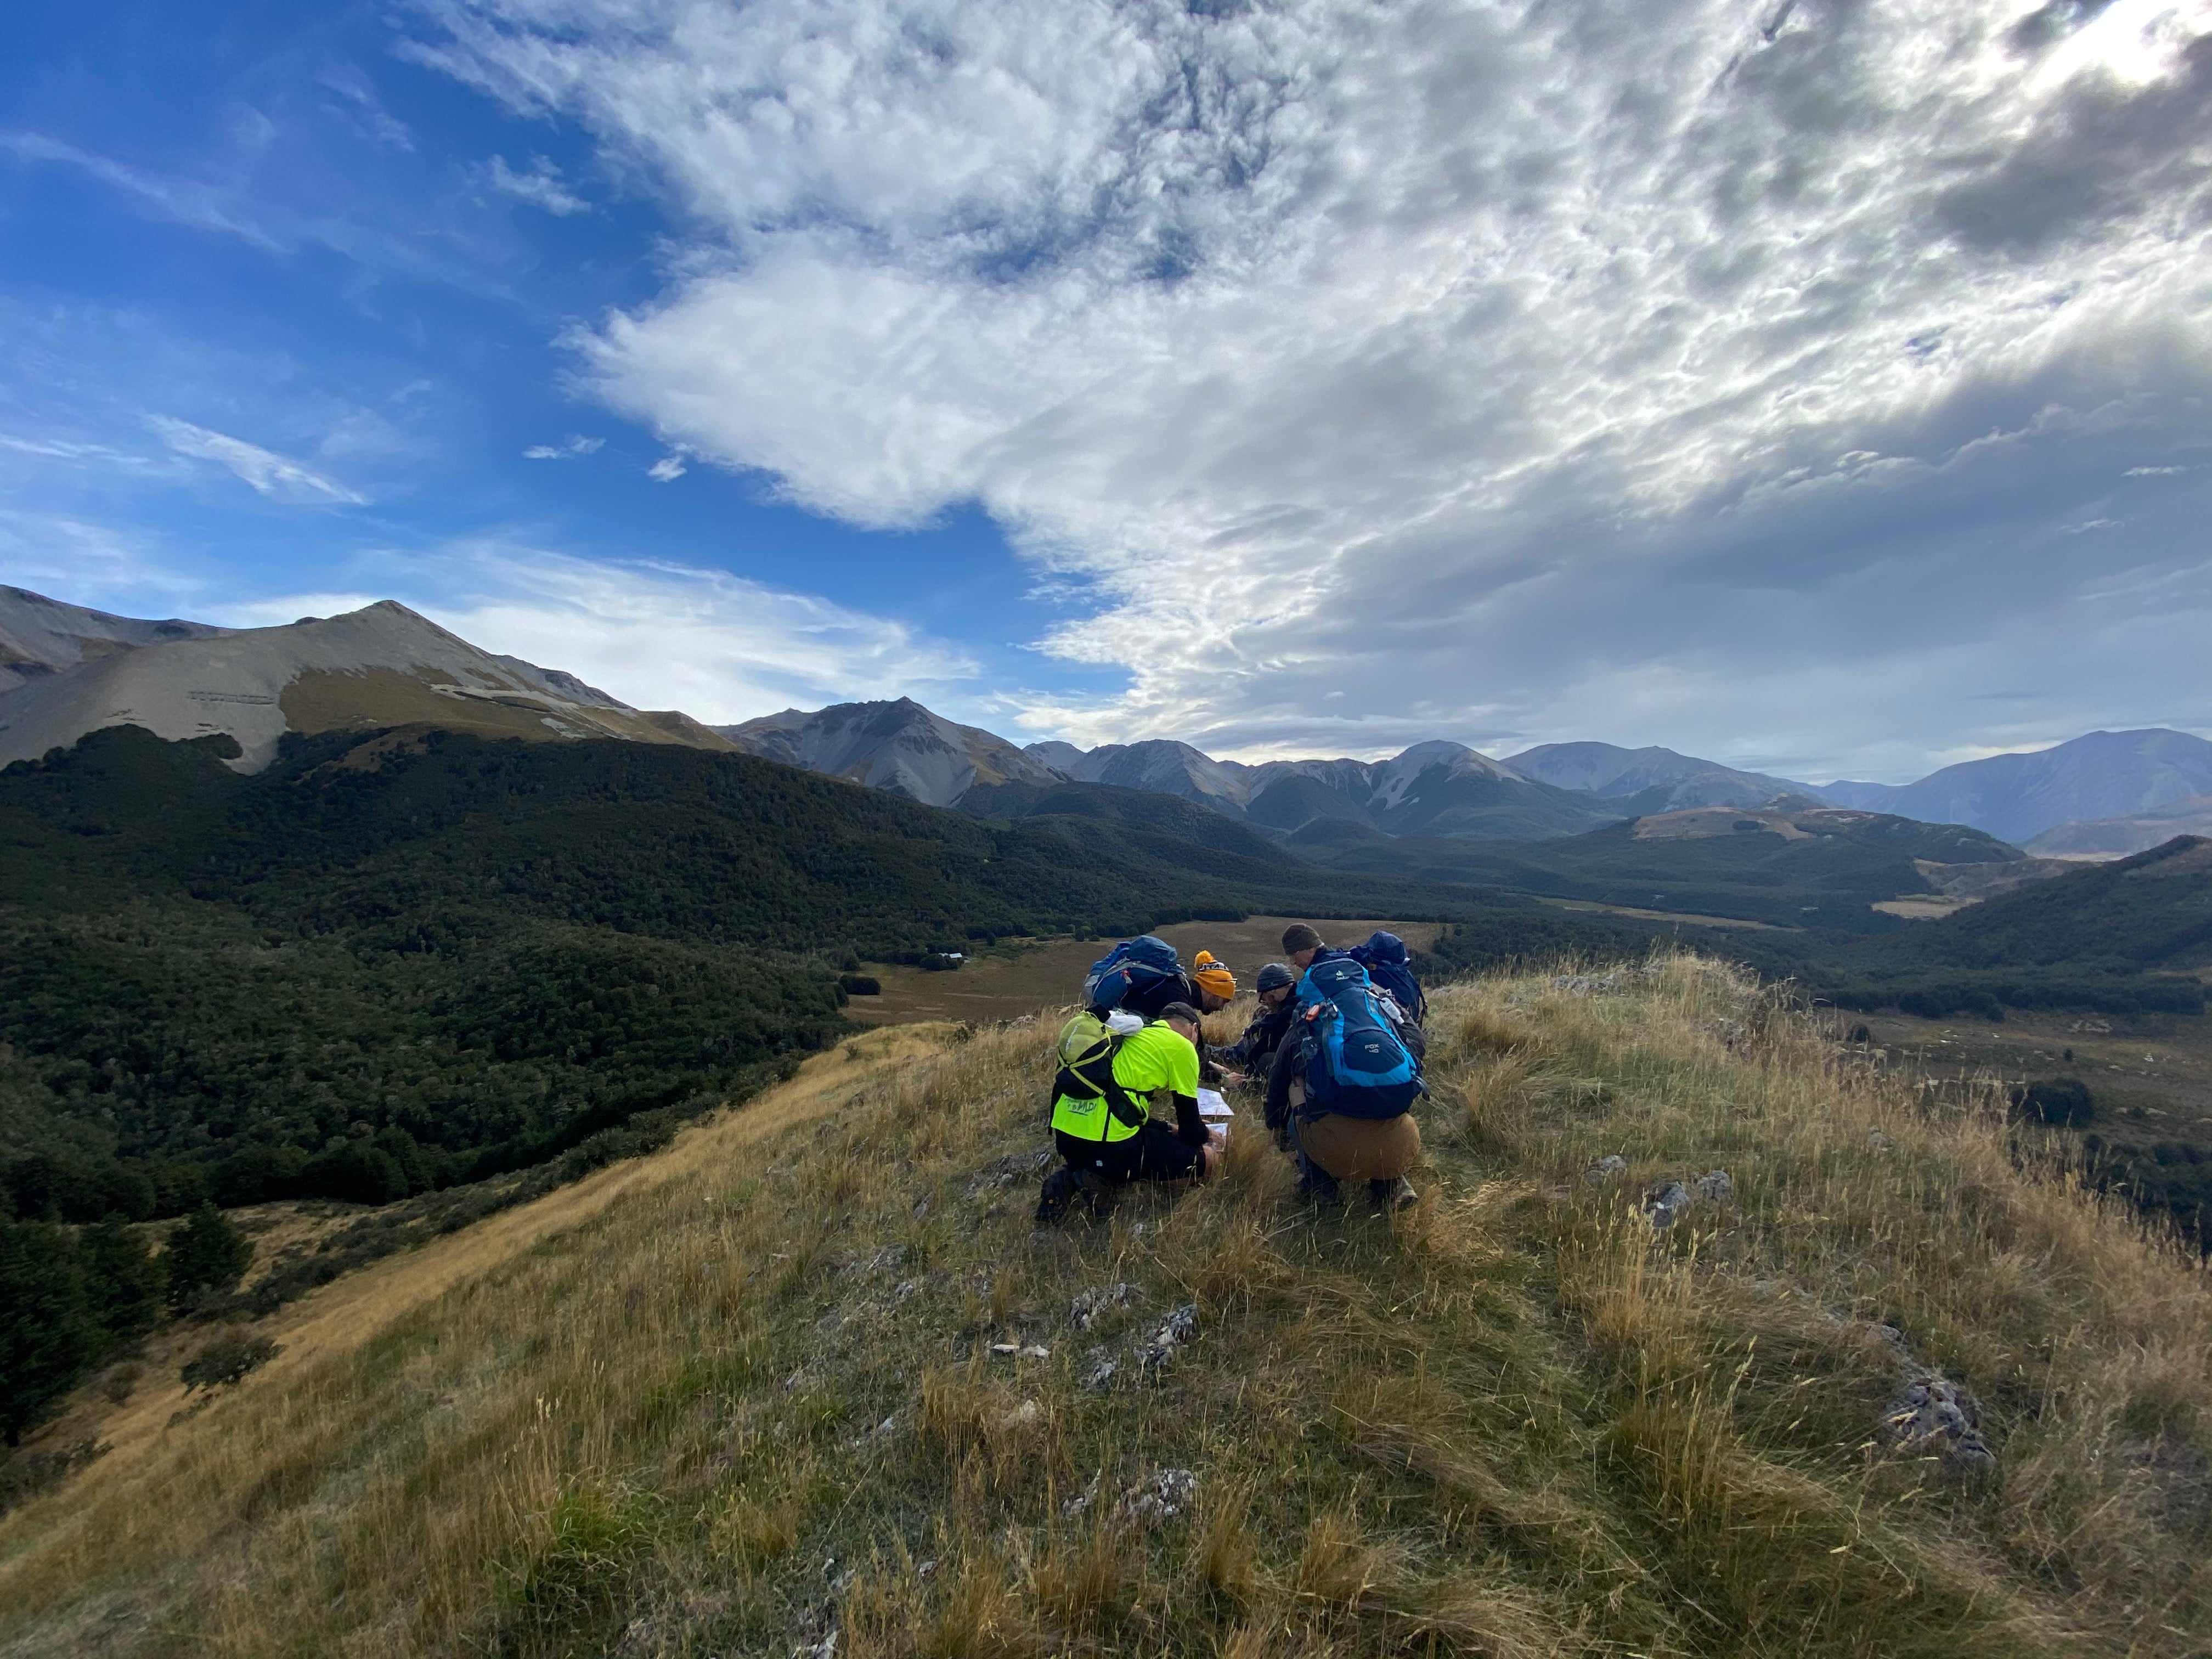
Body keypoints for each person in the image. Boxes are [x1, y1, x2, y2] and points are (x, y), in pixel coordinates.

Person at [1266, 924, 1425, 1211]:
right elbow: (1415, 1038)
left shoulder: (1310, 1012)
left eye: (1294, 955)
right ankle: (1391, 1186)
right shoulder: (1375, 997)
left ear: (1309, 951)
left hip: (1338, 1147)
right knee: (1385, 1105)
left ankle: (1322, 1189)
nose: (1292, 963)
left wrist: (1274, 1125)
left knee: (1297, 1092)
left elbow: (1279, 1075)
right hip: (1403, 1142)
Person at [1037, 1002, 1221, 1223]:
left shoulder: (1128, 1034)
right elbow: (1192, 1132)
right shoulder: (1182, 1047)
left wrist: (1171, 1129)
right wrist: (1208, 1134)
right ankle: (1104, 1175)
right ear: (1194, 1030)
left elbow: (1127, 1111)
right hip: (1113, 1145)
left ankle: (1073, 1175)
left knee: (1129, 1140)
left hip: (1066, 1139)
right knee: (1209, 1159)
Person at [1206, 962, 1298, 1084]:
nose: (1268, 1007)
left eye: (1265, 1000)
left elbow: (1243, 1054)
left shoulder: (1284, 1017)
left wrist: (1246, 1081)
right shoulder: (1301, 999)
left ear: (1272, 995)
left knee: (1265, 1060)